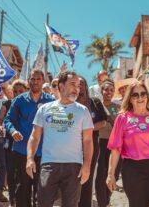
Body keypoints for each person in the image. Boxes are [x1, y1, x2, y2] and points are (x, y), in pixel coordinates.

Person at [26, 71, 94, 207]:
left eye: (79, 86)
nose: (77, 89)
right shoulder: (45, 109)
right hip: (49, 165)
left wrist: (87, 165)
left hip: (73, 166)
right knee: (43, 203)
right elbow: (34, 135)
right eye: (73, 84)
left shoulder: (83, 111)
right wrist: (30, 158)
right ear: (61, 86)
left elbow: (87, 140)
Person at [4, 69, 54, 207]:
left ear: (43, 81)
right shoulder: (19, 100)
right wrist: (13, 131)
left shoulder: (51, 102)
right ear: (28, 81)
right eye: (32, 79)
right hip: (21, 152)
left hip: (43, 154)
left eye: (38, 79)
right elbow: (8, 120)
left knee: (42, 191)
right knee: (22, 191)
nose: (35, 82)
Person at [77, 76, 107, 207]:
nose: (80, 87)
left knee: (87, 177)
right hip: (73, 146)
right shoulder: (70, 104)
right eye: (77, 84)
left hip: (92, 145)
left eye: (82, 84)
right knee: (73, 178)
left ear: (86, 86)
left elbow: (103, 122)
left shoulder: (95, 102)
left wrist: (87, 130)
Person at [0, 81, 27, 207]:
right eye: (15, 91)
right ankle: (13, 201)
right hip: (10, 144)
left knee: (23, 175)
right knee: (11, 172)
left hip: (26, 145)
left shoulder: (31, 105)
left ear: (26, 91)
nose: (18, 94)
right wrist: (0, 127)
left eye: (21, 91)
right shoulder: (7, 104)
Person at [94, 79, 120, 207]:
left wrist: (111, 118)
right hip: (100, 143)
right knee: (101, 174)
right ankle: (102, 203)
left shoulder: (118, 107)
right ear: (101, 91)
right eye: (106, 90)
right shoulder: (96, 105)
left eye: (111, 90)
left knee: (114, 173)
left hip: (114, 145)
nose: (109, 92)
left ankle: (107, 199)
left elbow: (120, 126)